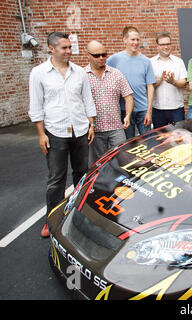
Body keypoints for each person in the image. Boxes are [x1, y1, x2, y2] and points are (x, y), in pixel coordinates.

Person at [28, 32, 96, 238]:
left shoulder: (79, 72)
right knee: (56, 178)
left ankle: (79, 213)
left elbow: (87, 99)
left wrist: (91, 124)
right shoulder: (39, 73)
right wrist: (41, 134)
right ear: (51, 48)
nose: (68, 51)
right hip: (55, 131)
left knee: (82, 174)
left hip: (80, 129)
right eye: (64, 48)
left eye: (69, 47)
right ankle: (52, 219)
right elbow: (36, 106)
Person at [84, 40, 134, 164]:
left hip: (116, 128)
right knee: (97, 165)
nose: (101, 58)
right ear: (88, 56)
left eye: (104, 54)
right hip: (94, 130)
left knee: (123, 160)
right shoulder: (82, 75)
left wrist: (128, 115)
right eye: (96, 55)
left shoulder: (116, 74)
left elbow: (128, 96)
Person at [107, 26, 155, 138]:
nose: (136, 42)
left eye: (138, 40)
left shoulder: (146, 61)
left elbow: (150, 87)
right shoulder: (114, 60)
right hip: (124, 110)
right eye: (132, 39)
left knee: (147, 142)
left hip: (143, 110)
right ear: (125, 40)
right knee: (128, 144)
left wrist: (149, 111)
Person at [150, 32, 187, 128]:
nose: (166, 47)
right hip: (158, 109)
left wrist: (173, 82)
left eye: (168, 44)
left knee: (179, 138)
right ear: (157, 46)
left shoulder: (179, 62)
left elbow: (184, 83)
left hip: (176, 109)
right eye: (162, 44)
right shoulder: (150, 63)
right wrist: (161, 79)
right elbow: (149, 86)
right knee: (159, 139)